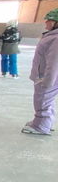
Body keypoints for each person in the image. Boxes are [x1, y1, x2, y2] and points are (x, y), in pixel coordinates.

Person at [22, 8, 58, 136]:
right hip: (44, 75)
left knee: (42, 100)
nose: (46, 22)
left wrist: (48, 80)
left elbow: (54, 61)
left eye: (49, 20)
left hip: (47, 77)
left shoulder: (56, 38)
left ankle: (42, 126)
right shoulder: (52, 36)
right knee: (45, 100)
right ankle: (43, 122)